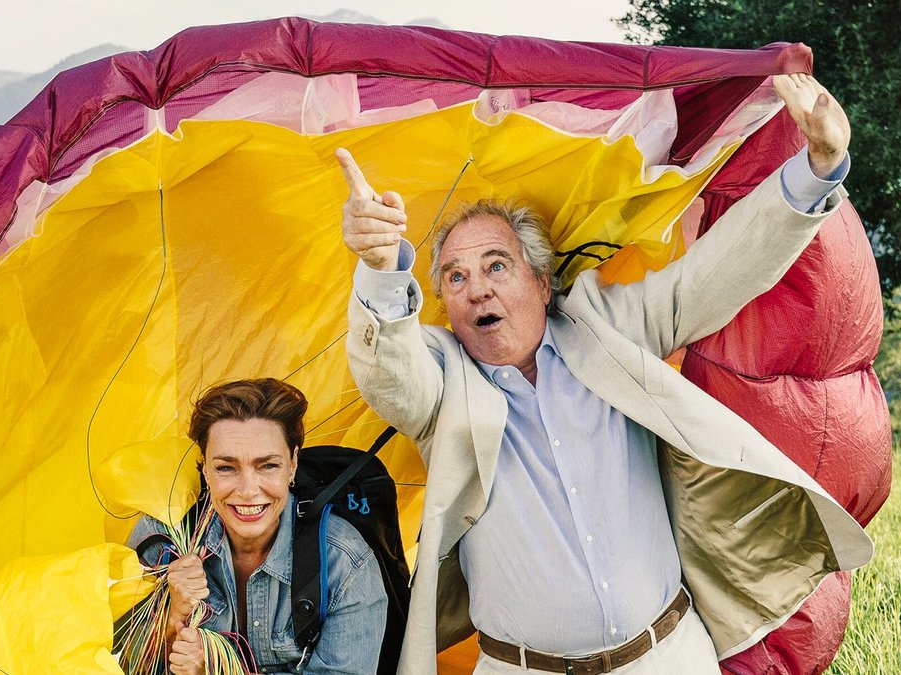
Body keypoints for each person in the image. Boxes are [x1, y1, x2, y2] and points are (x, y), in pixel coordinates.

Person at [338, 73, 873, 674]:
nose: (476, 288)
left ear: (542, 283)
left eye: (496, 265)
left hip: (668, 656)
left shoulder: (608, 328)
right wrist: (383, 271)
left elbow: (716, 273)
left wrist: (818, 168)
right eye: (455, 278)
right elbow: (391, 373)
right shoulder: (441, 378)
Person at [126, 378, 388, 675]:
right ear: (204, 468)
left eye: (268, 466)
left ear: (292, 464)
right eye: (226, 467)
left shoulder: (345, 563)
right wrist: (172, 619)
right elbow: (111, 660)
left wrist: (216, 668)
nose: (248, 490)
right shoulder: (161, 541)